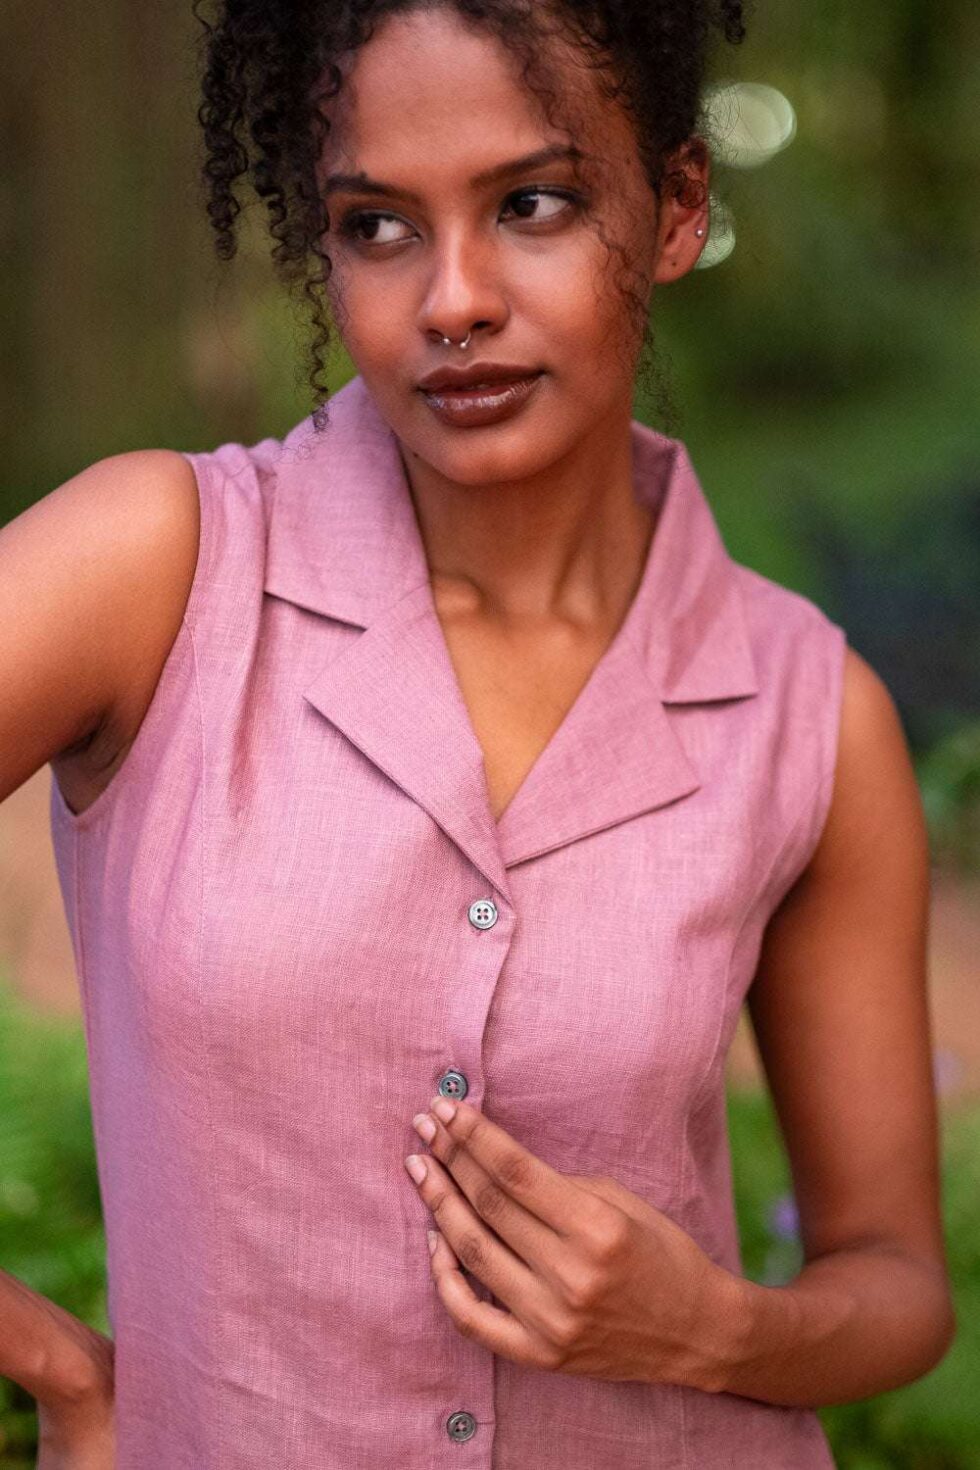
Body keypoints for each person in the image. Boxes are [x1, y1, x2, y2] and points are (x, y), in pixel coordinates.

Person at [0, 1, 957, 1465]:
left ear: (677, 208)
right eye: (378, 226)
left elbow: (895, 1283)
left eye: (533, 204)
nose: (452, 298)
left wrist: (709, 1327)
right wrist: (61, 1371)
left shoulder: (809, 712)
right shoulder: (157, 569)